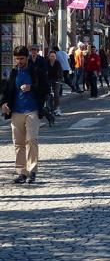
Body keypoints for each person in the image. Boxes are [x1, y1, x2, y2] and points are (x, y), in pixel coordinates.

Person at [1, 46, 49, 184]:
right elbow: (7, 90)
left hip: (32, 110)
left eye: (21, 58)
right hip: (16, 111)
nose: (19, 61)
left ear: (27, 57)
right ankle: (21, 172)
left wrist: (31, 88)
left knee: (32, 140)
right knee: (18, 143)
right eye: (17, 59)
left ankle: (32, 171)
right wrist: (3, 104)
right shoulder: (14, 72)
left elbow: (46, 89)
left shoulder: (36, 71)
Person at [46, 50, 63, 115]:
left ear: (55, 57)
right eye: (51, 56)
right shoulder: (46, 63)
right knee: (47, 93)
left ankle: (57, 108)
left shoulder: (57, 63)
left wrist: (60, 80)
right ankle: (49, 108)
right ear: (49, 57)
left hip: (56, 79)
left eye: (53, 56)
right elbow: (44, 71)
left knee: (56, 94)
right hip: (49, 79)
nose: (52, 57)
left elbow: (60, 72)